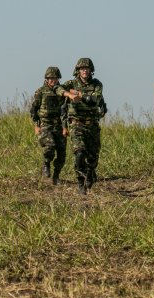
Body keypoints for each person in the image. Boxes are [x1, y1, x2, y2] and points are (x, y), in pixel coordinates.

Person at [56, 58, 105, 195]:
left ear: (91, 70)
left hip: (92, 126)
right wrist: (68, 94)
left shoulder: (97, 84)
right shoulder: (71, 83)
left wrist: (78, 94)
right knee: (79, 152)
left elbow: (95, 98)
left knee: (93, 158)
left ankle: (90, 173)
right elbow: (56, 88)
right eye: (82, 69)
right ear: (78, 71)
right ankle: (80, 181)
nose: (84, 70)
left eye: (87, 68)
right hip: (76, 124)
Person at [30, 66, 67, 185]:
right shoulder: (40, 91)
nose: (53, 80)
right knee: (50, 146)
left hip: (59, 125)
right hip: (46, 124)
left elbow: (66, 110)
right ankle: (46, 163)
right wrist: (36, 125)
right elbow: (33, 110)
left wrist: (66, 127)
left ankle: (56, 177)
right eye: (50, 78)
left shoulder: (62, 91)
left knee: (61, 154)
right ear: (46, 79)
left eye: (55, 78)